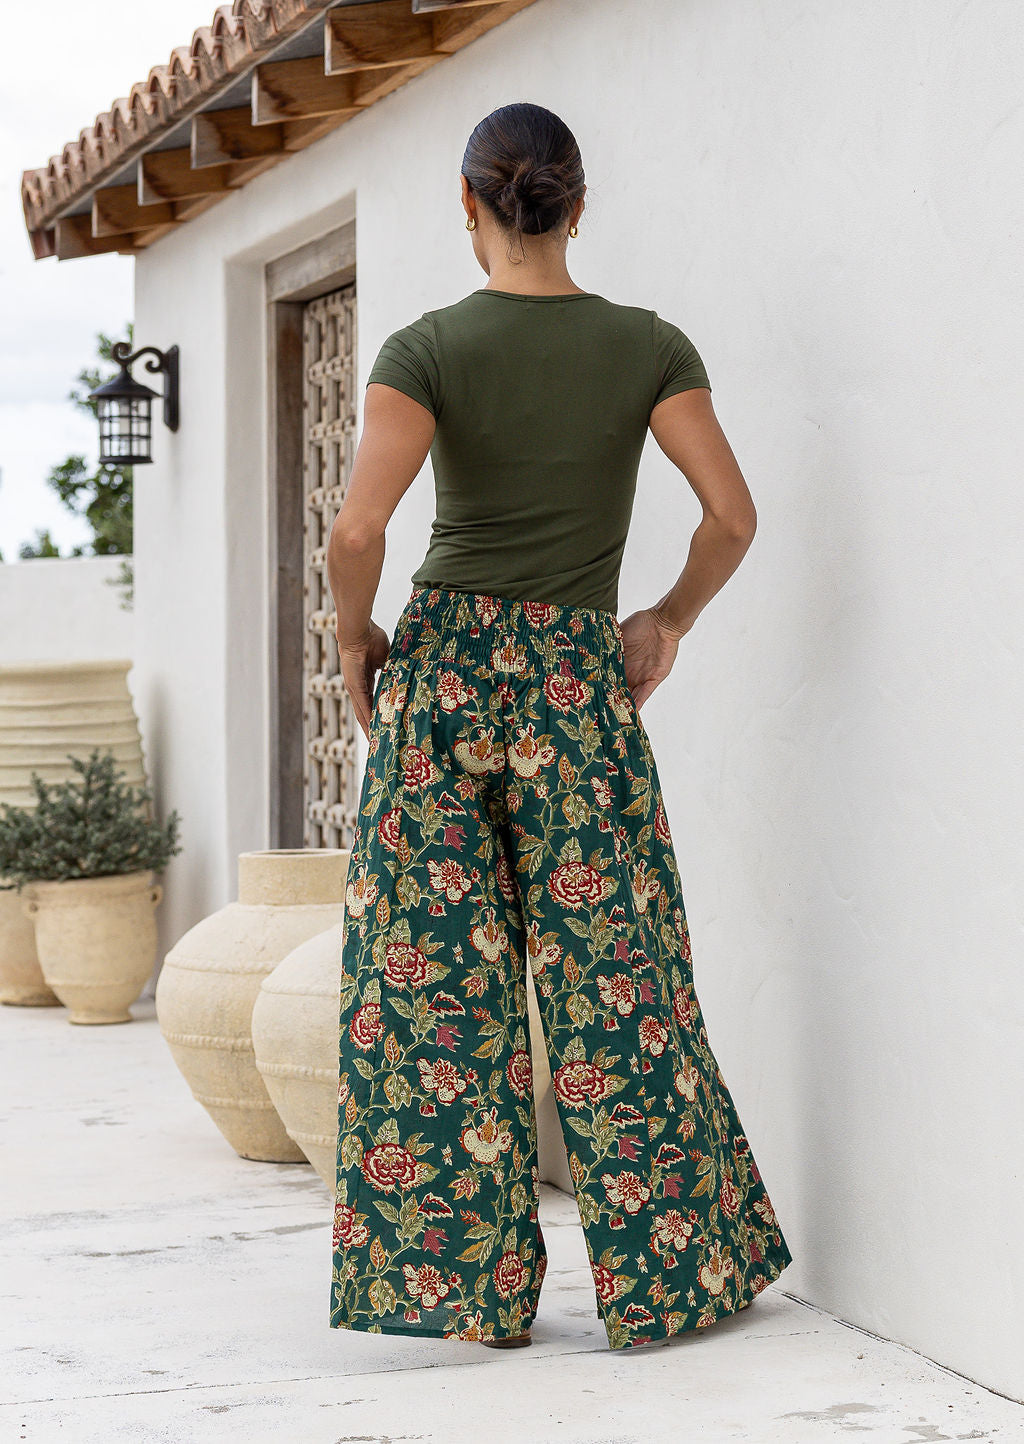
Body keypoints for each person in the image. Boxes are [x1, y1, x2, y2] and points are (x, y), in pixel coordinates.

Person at [326, 101, 793, 1352]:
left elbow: (360, 531)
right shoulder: (647, 345)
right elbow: (731, 517)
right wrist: (667, 622)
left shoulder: (426, 346)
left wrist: (350, 640)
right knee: (617, 982)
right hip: (579, 681)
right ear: (577, 207)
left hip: (445, 680)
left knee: (432, 992)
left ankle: (466, 1298)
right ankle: (673, 1284)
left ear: (469, 209)